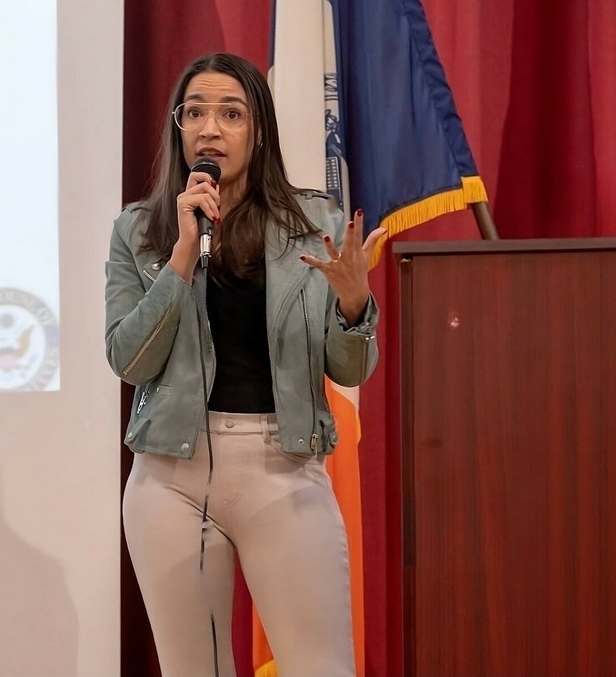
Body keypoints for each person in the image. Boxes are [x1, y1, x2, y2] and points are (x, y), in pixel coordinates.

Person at [105, 52, 383, 677]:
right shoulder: (139, 231)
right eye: (195, 112)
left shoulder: (313, 222)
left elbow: (349, 371)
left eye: (231, 114)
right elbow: (129, 360)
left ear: (259, 132)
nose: (210, 128)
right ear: (178, 128)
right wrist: (181, 256)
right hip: (170, 477)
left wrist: (352, 305)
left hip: (282, 467)